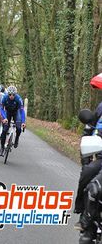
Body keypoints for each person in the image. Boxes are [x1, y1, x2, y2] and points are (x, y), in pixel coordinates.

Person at [74, 73, 102, 244]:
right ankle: (86, 222)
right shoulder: (100, 107)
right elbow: (89, 127)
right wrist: (85, 154)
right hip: (100, 154)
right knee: (88, 173)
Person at [0, 85, 26, 156]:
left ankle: (17, 138)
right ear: (8, 94)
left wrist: (23, 122)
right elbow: (1, 109)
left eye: (13, 95)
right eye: (10, 94)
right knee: (4, 130)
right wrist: (4, 118)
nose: (11, 96)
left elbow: (22, 111)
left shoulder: (18, 99)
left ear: (15, 94)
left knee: (19, 128)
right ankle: (2, 148)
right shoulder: (4, 97)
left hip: (16, 112)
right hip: (7, 113)